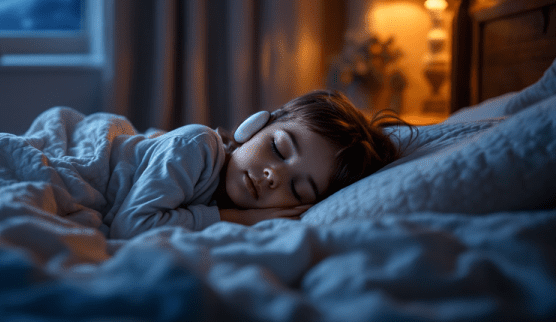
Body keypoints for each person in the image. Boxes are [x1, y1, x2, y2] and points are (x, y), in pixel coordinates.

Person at [107, 89, 404, 238]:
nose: (273, 175)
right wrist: (238, 219)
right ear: (255, 125)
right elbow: (130, 227)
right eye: (278, 148)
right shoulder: (197, 147)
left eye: (297, 189)